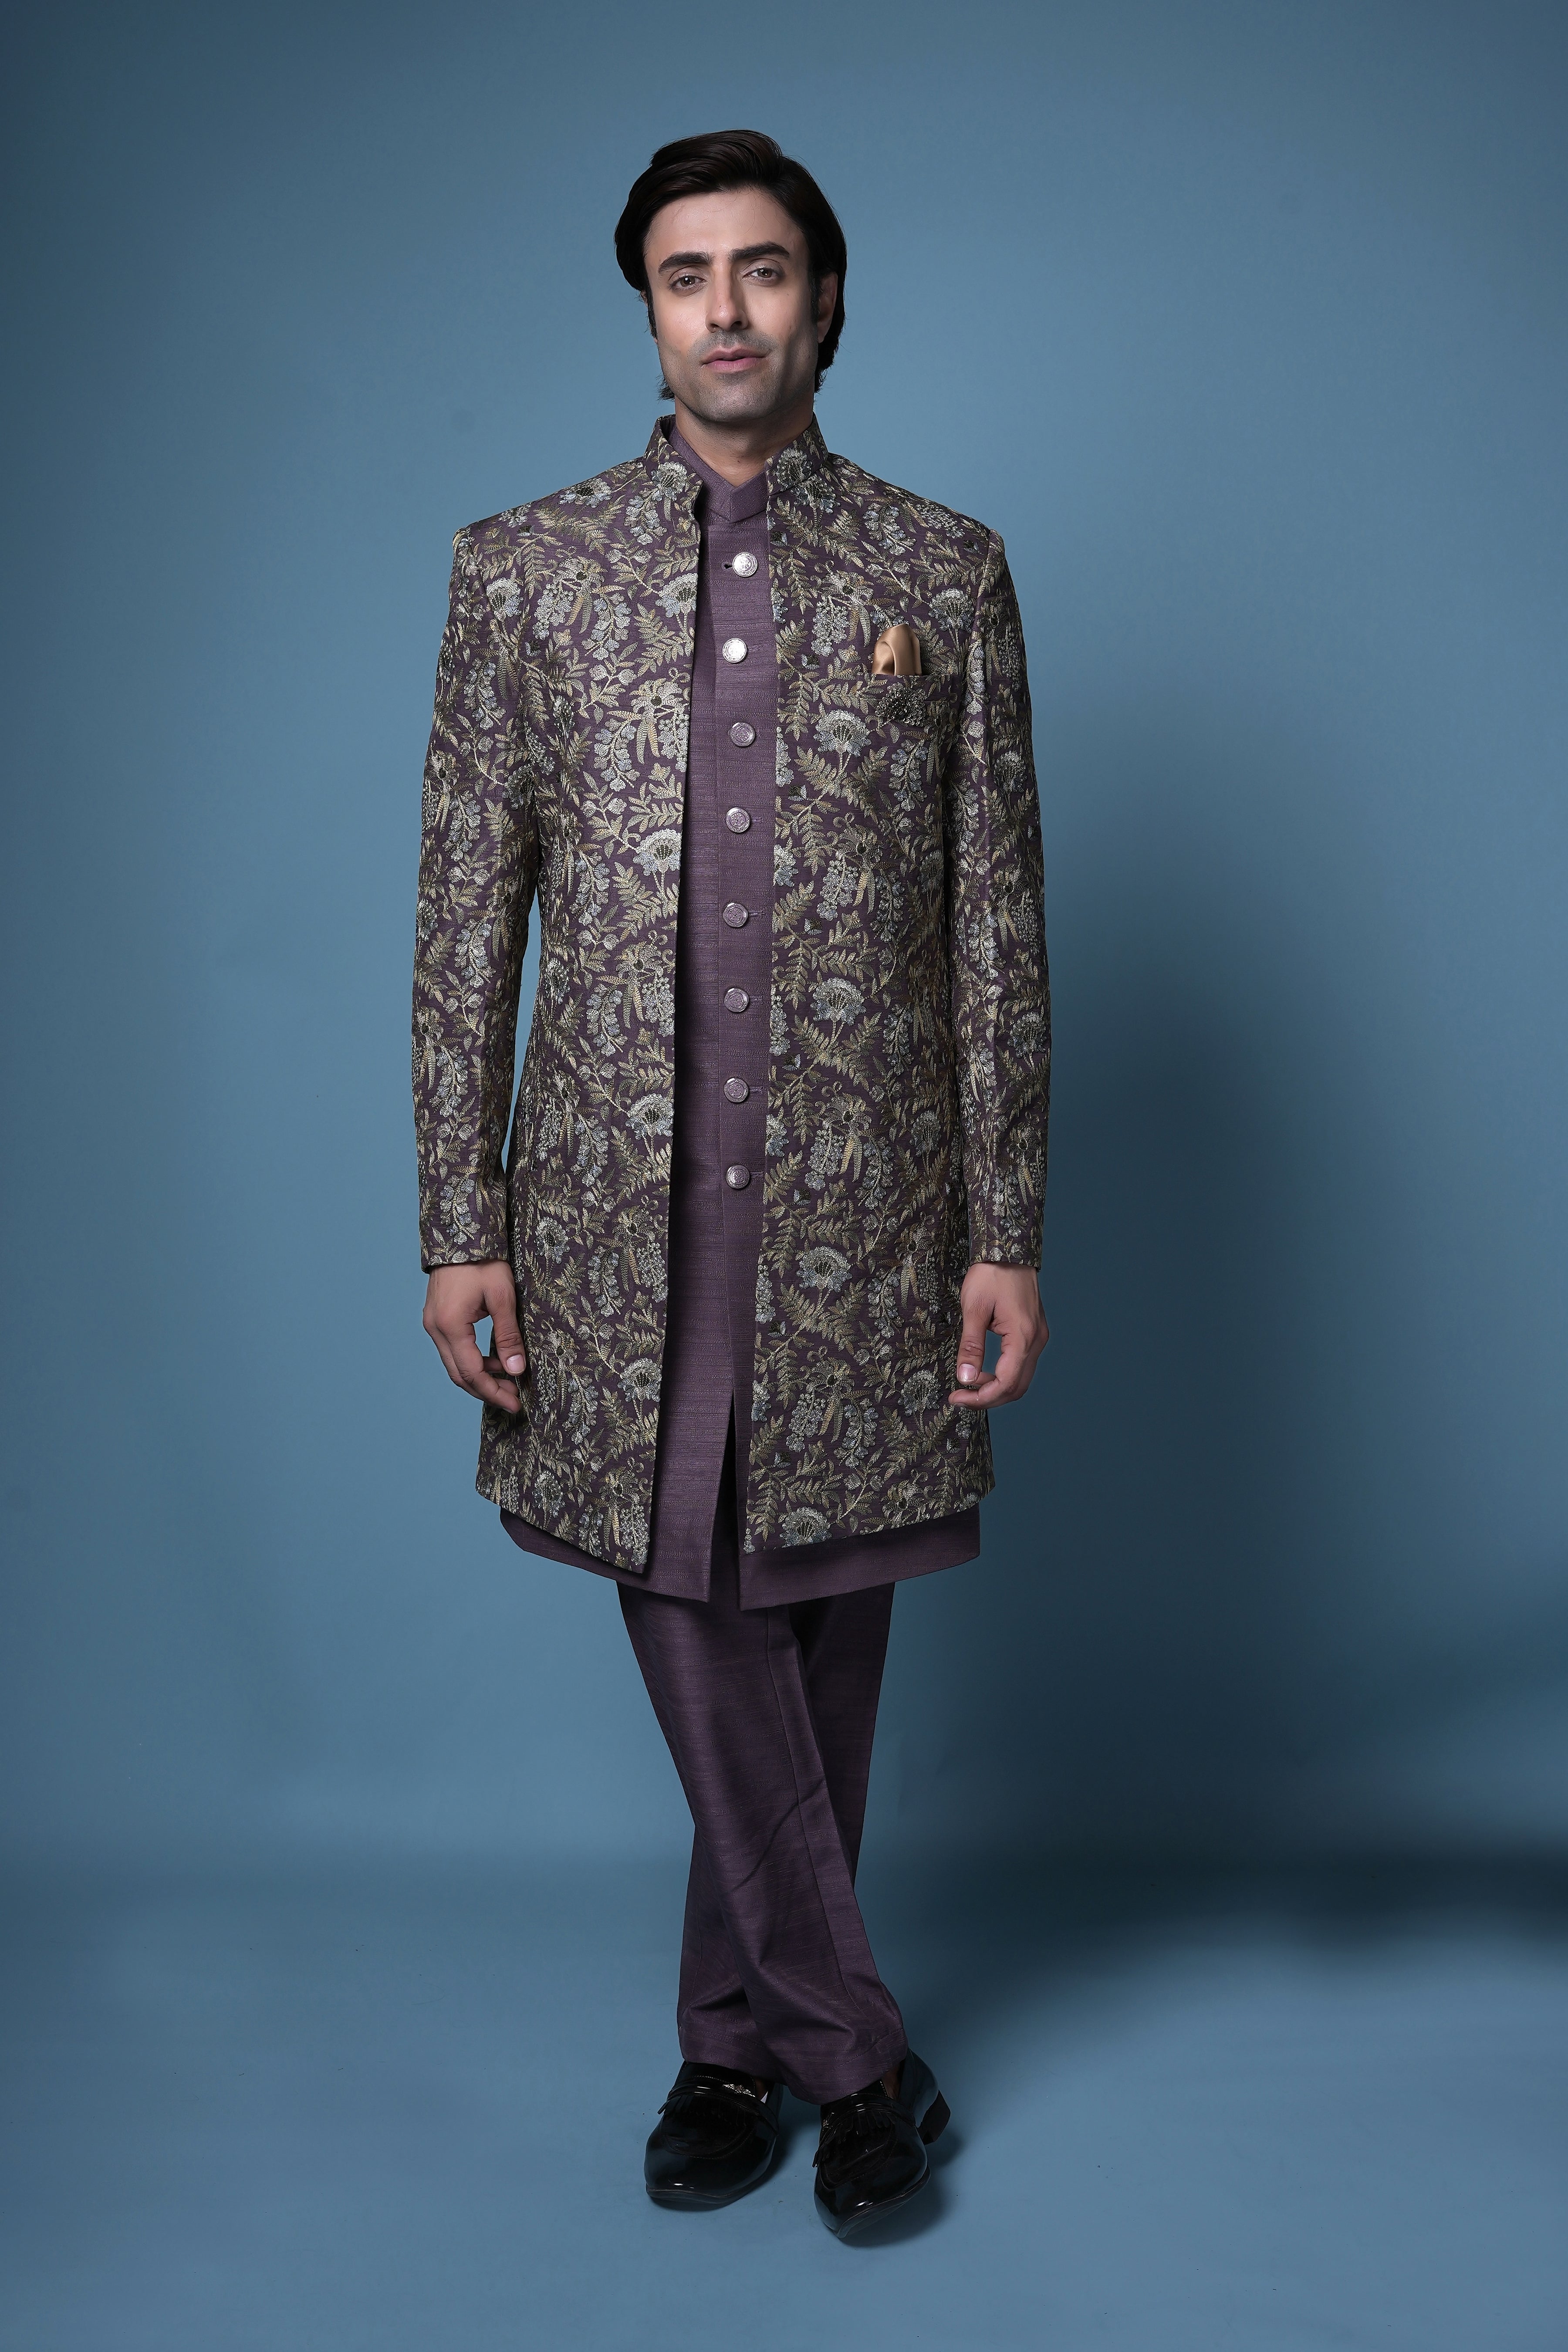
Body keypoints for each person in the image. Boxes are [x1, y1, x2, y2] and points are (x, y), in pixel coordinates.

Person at [413, 128, 1049, 2239]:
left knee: (823, 1610)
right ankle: (857, 2059)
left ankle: (727, 2042)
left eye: (763, 269)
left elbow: (996, 927)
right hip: (614, 1203)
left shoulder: (943, 572)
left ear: (824, 298)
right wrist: (460, 1213)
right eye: (686, 273)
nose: (725, 309)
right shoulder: (522, 571)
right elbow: (464, 918)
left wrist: (1005, 1227)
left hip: (872, 1198)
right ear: (646, 306)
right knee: (690, 1585)